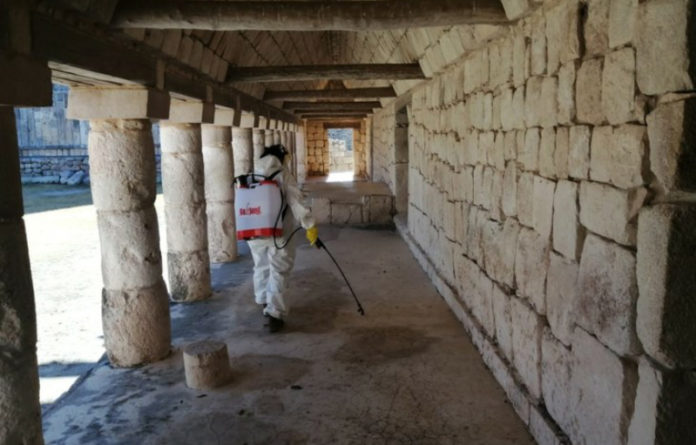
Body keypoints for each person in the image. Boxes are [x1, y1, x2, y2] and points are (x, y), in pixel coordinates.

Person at [246, 144, 318, 333]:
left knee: (261, 266)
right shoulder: (283, 175)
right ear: (281, 157)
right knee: (279, 270)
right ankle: (275, 314)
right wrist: (310, 227)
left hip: (256, 232)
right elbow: (297, 203)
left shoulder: (252, 173)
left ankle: (264, 301)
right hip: (280, 233)